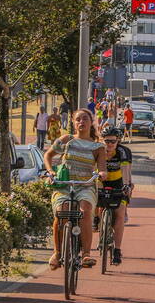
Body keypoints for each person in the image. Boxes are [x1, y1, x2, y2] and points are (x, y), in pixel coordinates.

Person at [44, 110, 108, 270]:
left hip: (85, 186)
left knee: (85, 211)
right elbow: (48, 155)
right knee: (61, 212)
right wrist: (50, 171)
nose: (81, 122)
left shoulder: (98, 147)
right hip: (64, 185)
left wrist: (102, 174)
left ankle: (86, 254)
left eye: (85, 119)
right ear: (73, 122)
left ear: (91, 122)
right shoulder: (66, 140)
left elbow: (102, 168)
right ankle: (57, 253)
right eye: (78, 119)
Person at [96, 126, 132, 266]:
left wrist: (127, 186)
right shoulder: (98, 150)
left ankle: (117, 250)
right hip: (102, 182)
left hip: (119, 183)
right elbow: (93, 169)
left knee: (120, 213)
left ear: (118, 141)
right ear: (102, 140)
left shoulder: (123, 152)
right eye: (107, 141)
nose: (110, 144)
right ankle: (99, 224)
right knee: (98, 204)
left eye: (113, 141)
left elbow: (126, 170)